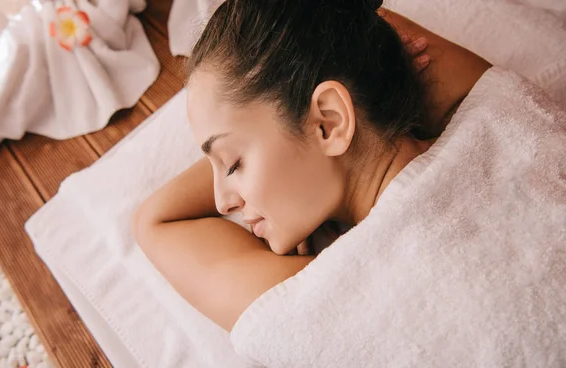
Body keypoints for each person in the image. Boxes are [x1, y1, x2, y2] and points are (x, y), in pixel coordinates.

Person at [132, 0, 489, 331]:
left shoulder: (332, 298)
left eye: (232, 164)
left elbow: (154, 221)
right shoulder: (493, 109)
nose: (223, 202)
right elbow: (354, 20)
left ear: (329, 122)